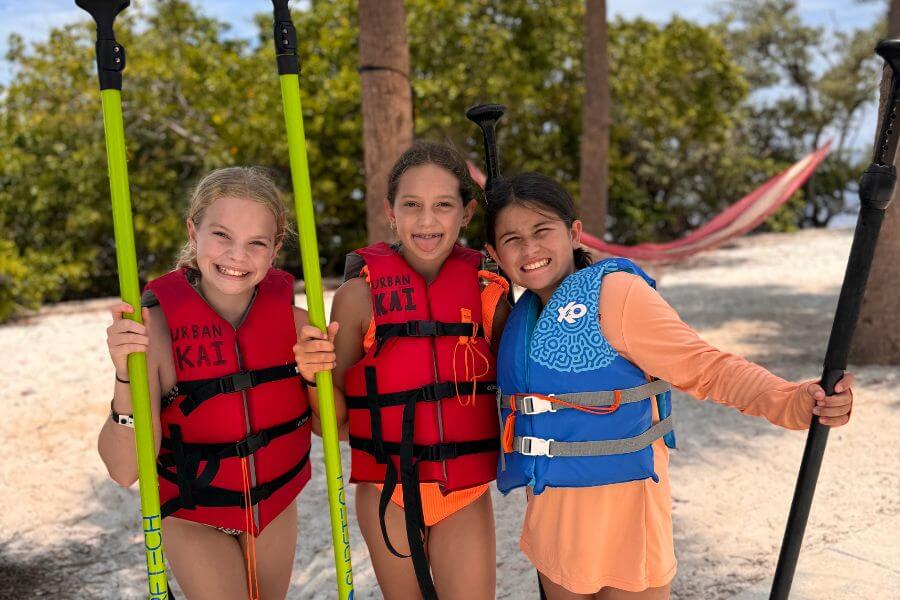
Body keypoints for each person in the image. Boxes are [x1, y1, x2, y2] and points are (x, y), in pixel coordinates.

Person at [483, 172, 854, 600]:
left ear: (574, 232)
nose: (529, 249)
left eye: (542, 230)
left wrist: (791, 400)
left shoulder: (618, 295)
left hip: (627, 525)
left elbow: (708, 367)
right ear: (494, 253)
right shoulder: (518, 318)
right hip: (553, 530)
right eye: (511, 239)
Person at [294, 141, 509, 599]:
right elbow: (332, 426)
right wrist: (314, 377)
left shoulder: (490, 290)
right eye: (411, 205)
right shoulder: (357, 297)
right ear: (391, 212)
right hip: (386, 490)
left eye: (443, 206)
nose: (426, 221)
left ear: (467, 214)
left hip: (464, 492)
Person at [99, 166, 317, 600]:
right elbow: (124, 471)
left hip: (273, 506)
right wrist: (126, 374)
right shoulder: (154, 332)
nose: (237, 256)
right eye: (221, 235)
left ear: (274, 250)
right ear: (193, 231)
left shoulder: (298, 324)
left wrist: (314, 377)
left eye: (256, 242)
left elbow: (332, 426)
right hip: (194, 515)